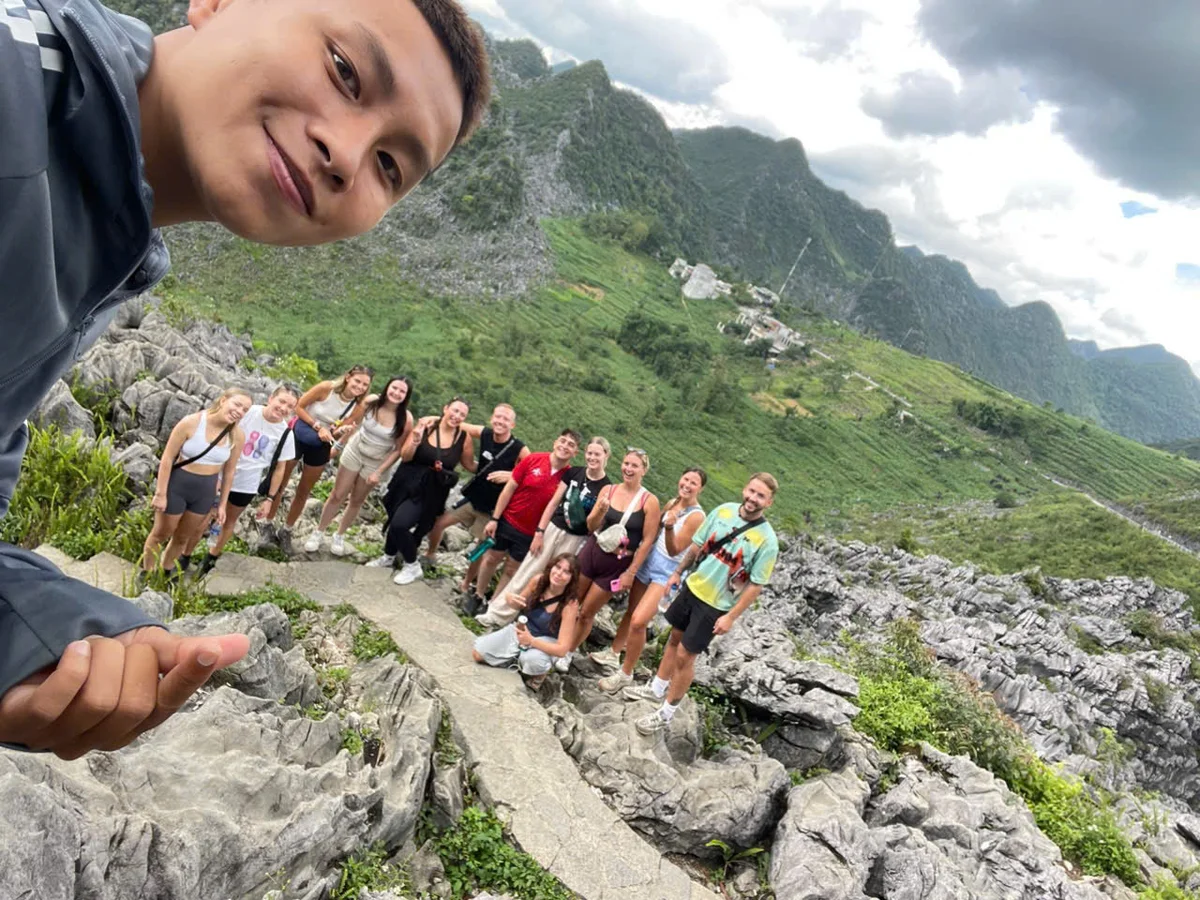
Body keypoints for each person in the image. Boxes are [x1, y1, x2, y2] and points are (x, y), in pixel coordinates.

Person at [1, 0, 489, 756]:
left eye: (390, 167)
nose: (346, 153)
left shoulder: (107, 240)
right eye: (344, 70)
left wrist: (42, 625)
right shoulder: (17, 95)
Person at [628, 474, 781, 736]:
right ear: (744, 488)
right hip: (694, 586)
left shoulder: (767, 541)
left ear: (769, 502)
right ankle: (656, 688)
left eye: (760, 496)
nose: (753, 499)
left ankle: (666, 712)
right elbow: (697, 547)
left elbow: (755, 585)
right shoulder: (723, 511)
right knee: (674, 639)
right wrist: (677, 573)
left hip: (717, 604)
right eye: (752, 491)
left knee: (686, 656)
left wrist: (731, 617)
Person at [475, 436, 611, 628]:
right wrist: (540, 531)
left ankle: (531, 622)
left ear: (606, 456)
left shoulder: (606, 487)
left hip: (575, 537)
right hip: (553, 528)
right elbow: (554, 502)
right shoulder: (573, 473)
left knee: (556, 582)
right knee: (529, 570)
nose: (592, 457)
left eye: (597, 454)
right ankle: (498, 614)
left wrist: (600, 512)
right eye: (589, 453)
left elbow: (592, 526)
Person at [596, 467, 707, 691]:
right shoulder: (672, 503)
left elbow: (675, 549)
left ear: (700, 488)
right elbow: (651, 534)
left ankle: (626, 673)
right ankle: (613, 653)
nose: (687, 485)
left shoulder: (696, 516)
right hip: (649, 562)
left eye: (693, 483)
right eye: (685, 479)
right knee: (631, 611)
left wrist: (668, 527)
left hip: (667, 572)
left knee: (639, 621)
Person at [139, 389, 251, 585]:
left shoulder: (237, 436)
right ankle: (146, 572)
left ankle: (165, 571)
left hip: (205, 492)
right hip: (178, 485)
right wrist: (160, 493)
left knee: (183, 537)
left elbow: (229, 472)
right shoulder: (192, 422)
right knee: (161, 533)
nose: (239, 411)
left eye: (245, 410)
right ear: (224, 400)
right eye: (237, 404)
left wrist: (222, 505)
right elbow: (167, 458)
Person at [190, 384, 301, 577]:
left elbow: (280, 469)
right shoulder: (249, 412)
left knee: (228, 521)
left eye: (290, 406)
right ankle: (185, 554)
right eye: (281, 401)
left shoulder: (286, 434)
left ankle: (211, 557)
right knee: (204, 516)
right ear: (271, 399)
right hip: (220, 473)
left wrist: (269, 499)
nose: (283, 408)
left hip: (247, 484)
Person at [566, 449, 662, 670]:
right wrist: (599, 511)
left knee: (588, 611)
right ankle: (557, 639)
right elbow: (591, 526)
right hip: (593, 550)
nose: (628, 469)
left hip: (617, 562)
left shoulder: (649, 502)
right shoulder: (608, 490)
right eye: (626, 463)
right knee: (571, 600)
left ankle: (568, 651)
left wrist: (630, 572)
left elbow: (647, 541)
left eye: (634, 465)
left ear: (643, 470)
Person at [468, 430, 581, 612]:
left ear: (575, 453)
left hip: (532, 532)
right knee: (491, 558)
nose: (565, 446)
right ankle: (478, 594)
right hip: (509, 519)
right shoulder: (534, 459)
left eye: (571, 445)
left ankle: (493, 604)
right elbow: (509, 488)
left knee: (512, 569)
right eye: (563, 441)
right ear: (555, 443)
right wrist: (495, 518)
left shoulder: (570, 476)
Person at [369, 397, 475, 585]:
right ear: (445, 408)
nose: (457, 416)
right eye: (455, 410)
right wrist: (416, 440)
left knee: (400, 524)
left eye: (462, 414)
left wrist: (496, 469)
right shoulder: (426, 426)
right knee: (395, 519)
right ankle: (389, 557)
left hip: (432, 492)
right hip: (406, 482)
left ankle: (412, 565)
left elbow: (469, 465)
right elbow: (406, 456)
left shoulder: (463, 438)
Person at [421, 403, 529, 586]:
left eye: (505, 419)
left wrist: (512, 475)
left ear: (512, 425)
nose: (500, 421)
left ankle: (465, 584)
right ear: (492, 418)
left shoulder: (519, 448)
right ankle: (430, 554)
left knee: (479, 548)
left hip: (493, 509)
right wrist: (433, 419)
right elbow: (458, 423)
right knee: (439, 523)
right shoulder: (485, 433)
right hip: (473, 499)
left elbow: (535, 471)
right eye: (498, 417)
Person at [305, 376, 413, 555]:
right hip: (356, 450)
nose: (396, 393)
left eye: (402, 391)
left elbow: (398, 450)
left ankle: (339, 535)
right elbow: (353, 425)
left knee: (356, 500)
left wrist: (379, 472)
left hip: (377, 460)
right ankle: (319, 532)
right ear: (387, 387)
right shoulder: (372, 402)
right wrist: (338, 446)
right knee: (337, 494)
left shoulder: (405, 419)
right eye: (394, 388)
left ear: (406, 396)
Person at [266, 366, 372, 546]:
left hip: (322, 443)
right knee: (280, 483)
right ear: (348, 377)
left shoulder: (357, 407)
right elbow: (299, 406)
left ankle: (287, 529)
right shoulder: (326, 389)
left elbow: (338, 431)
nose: (360, 387)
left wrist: (341, 433)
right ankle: (267, 524)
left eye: (365, 385)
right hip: (300, 433)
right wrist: (317, 426)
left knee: (304, 490)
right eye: (357, 381)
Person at [471, 553, 581, 690]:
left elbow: (562, 650)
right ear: (551, 566)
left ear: (572, 579)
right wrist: (510, 599)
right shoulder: (538, 581)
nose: (559, 573)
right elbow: (520, 604)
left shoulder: (570, 605)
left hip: (545, 641)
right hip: (523, 630)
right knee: (478, 654)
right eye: (558, 567)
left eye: (566, 572)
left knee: (532, 661)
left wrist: (531, 641)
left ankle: (538, 671)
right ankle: (514, 658)